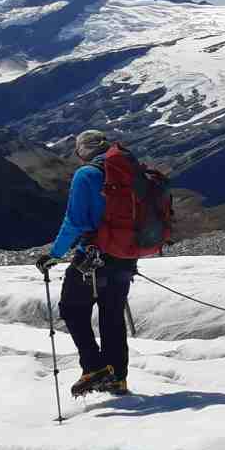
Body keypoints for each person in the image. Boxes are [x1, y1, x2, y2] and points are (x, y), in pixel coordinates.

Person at [35, 130, 137, 397]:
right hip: (125, 255)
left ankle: (94, 367)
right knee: (112, 315)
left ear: (83, 150)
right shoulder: (130, 170)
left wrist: (55, 254)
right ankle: (118, 378)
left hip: (94, 255)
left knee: (71, 308)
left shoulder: (87, 174)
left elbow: (75, 221)